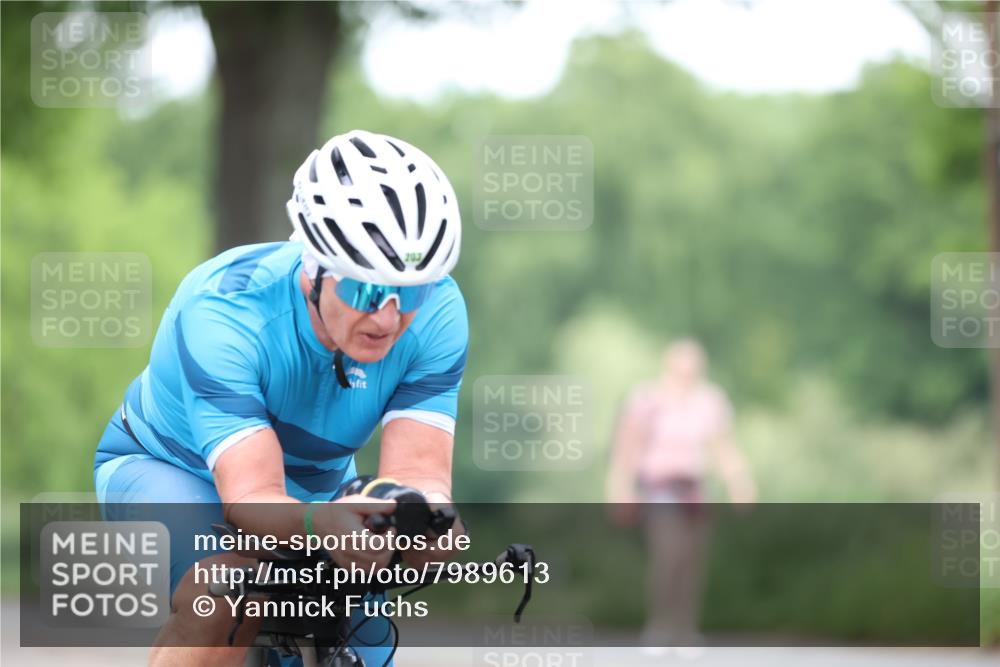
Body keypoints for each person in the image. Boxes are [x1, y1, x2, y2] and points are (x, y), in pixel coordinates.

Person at [92, 129, 467, 666]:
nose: (388, 317)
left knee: (366, 637)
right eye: (365, 289)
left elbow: (419, 474)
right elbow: (251, 497)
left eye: (410, 291)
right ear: (314, 269)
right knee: (226, 595)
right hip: (172, 467)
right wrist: (318, 525)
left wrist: (427, 524)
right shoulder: (225, 311)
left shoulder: (439, 313)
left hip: (316, 484)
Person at [606, 338, 756, 652]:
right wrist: (621, 488)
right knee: (668, 555)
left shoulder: (710, 400)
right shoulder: (647, 399)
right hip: (660, 488)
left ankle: (686, 629)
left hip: (696, 489)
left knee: (692, 561)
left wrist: (739, 482)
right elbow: (628, 447)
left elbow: (723, 446)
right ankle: (660, 626)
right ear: (669, 365)